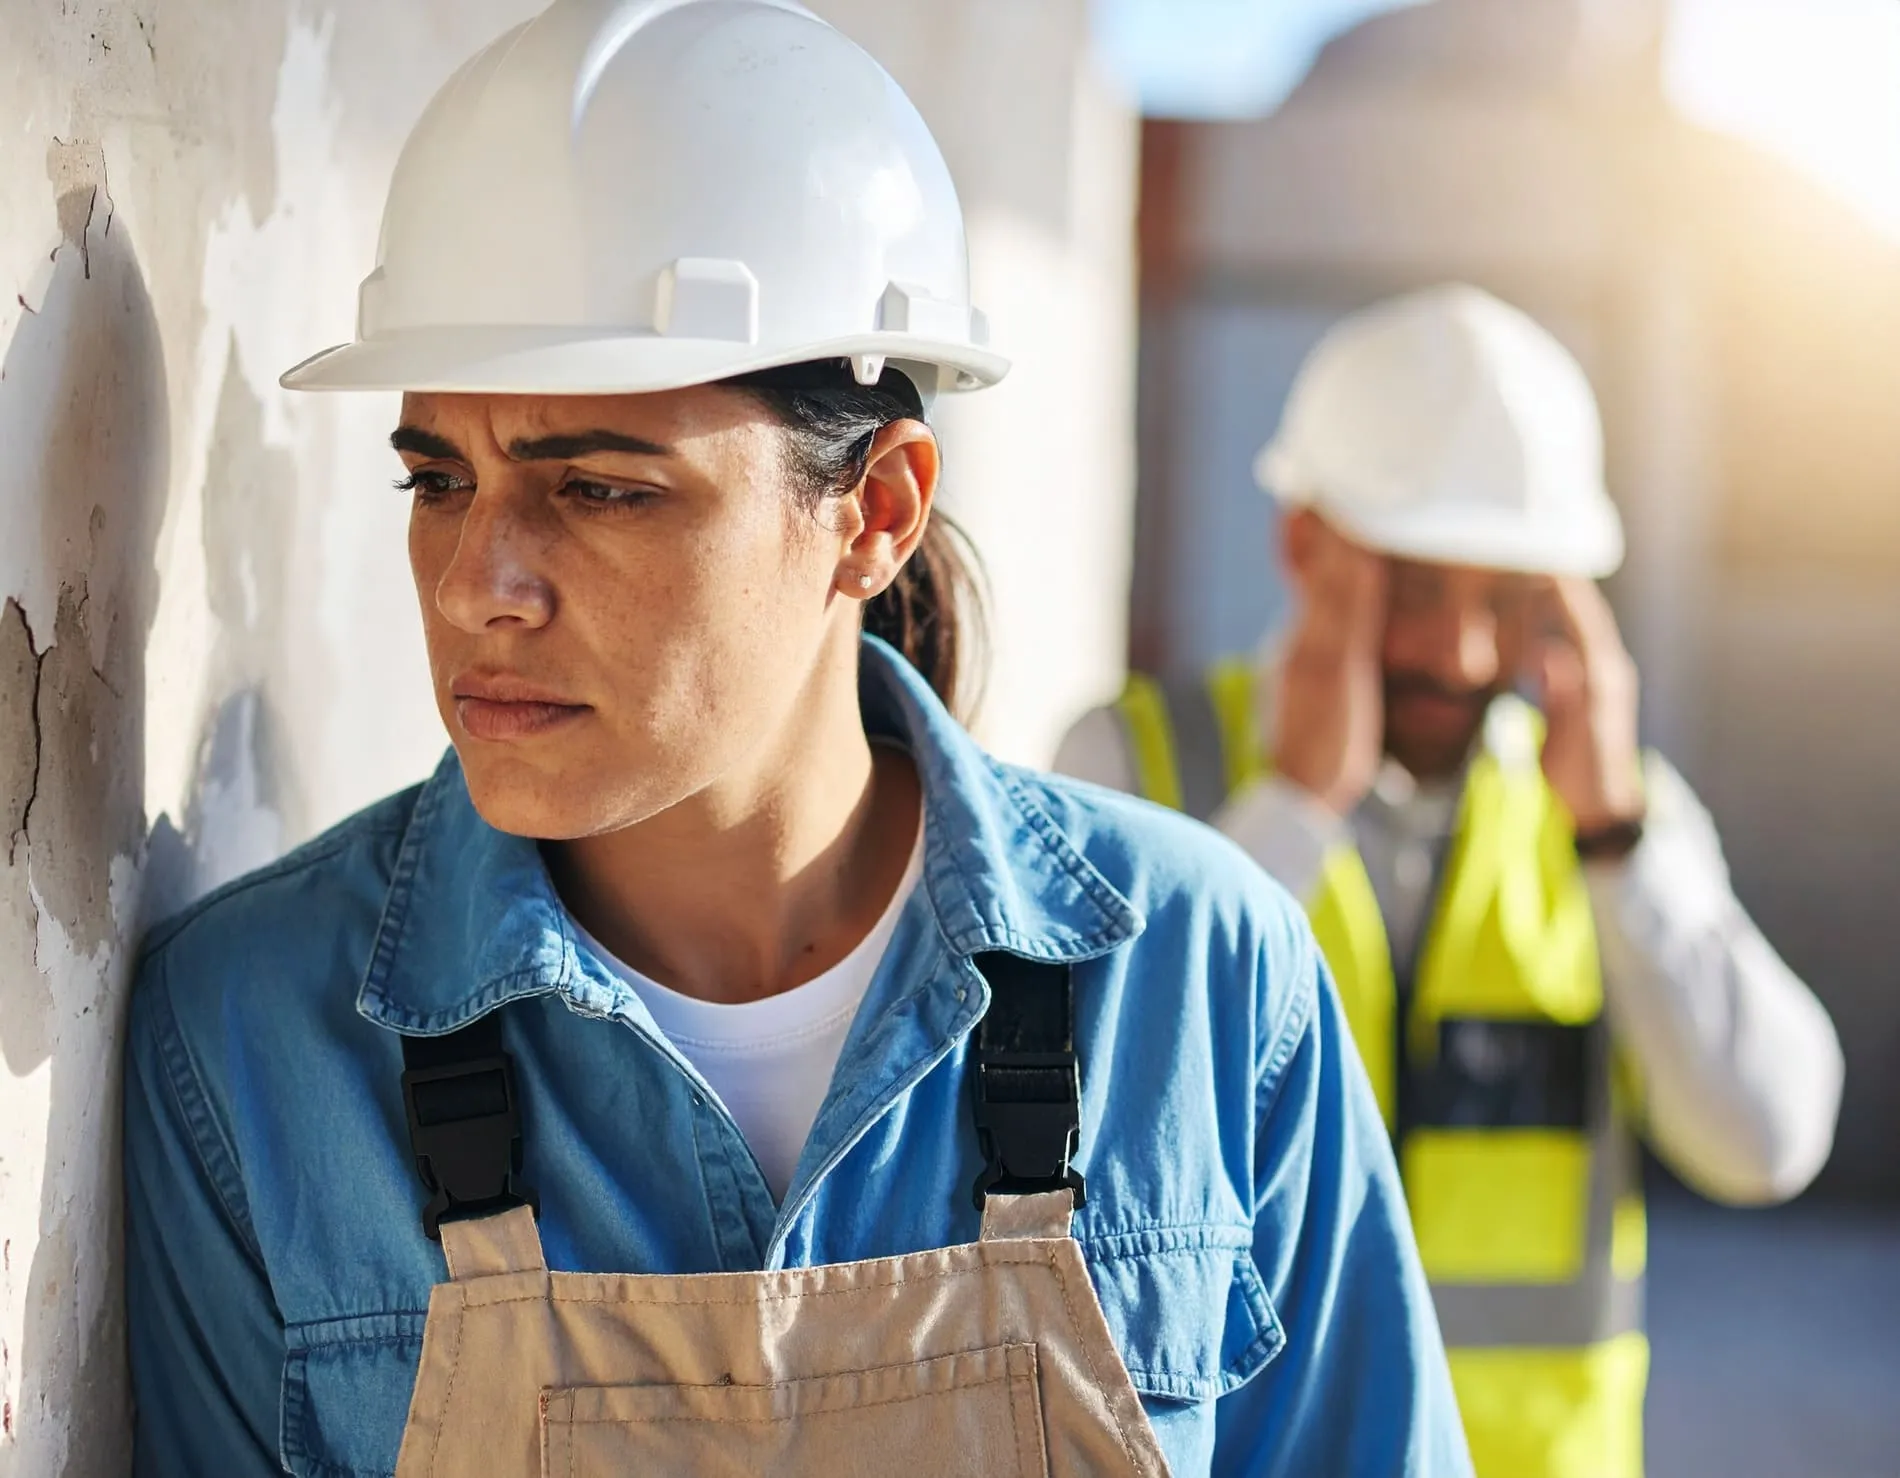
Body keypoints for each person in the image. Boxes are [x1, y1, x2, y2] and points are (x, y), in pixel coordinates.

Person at [121, 5, 1472, 1475]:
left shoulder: (1201, 981)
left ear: (875, 513)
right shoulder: (259, 1044)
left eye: (601, 490)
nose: (473, 587)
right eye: (438, 478)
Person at [1055, 284, 1844, 1478]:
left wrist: (1619, 844)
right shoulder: (1130, 766)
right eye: (1414, 585)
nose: (1460, 652)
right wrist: (1295, 811)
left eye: (1505, 597)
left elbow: (1767, 1141)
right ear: (1303, 543)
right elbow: (1078, 1121)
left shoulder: (1612, 814)